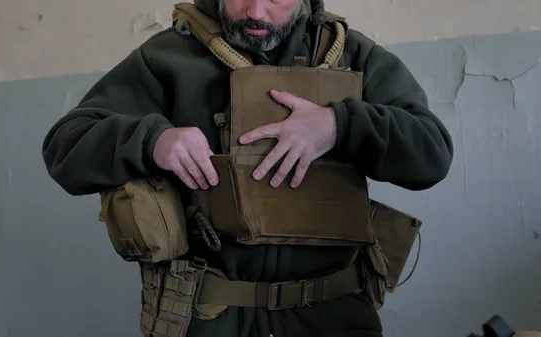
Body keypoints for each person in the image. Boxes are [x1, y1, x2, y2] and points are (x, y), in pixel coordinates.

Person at [42, 0, 454, 336]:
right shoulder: (167, 58)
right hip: (207, 319)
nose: (256, 11)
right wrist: (152, 141)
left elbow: (432, 153)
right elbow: (66, 144)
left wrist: (338, 125)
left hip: (334, 316)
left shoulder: (351, 56)